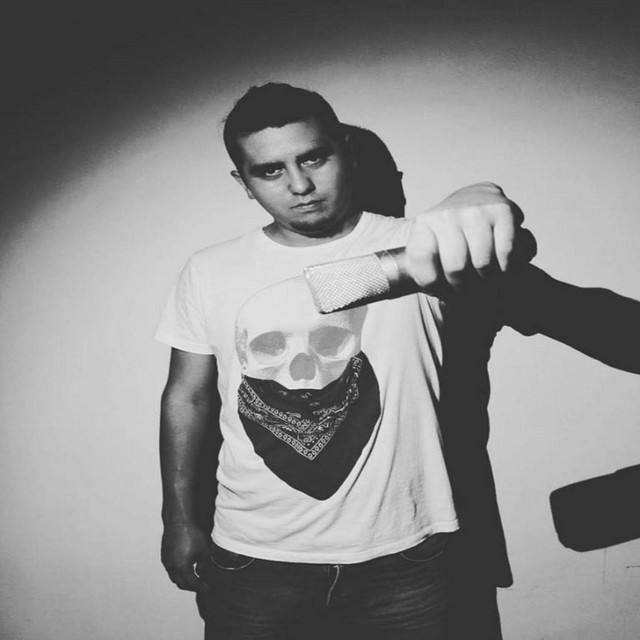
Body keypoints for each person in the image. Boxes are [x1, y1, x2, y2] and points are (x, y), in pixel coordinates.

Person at [155, 83, 640, 639]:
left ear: (345, 153)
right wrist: (178, 518)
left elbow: (591, 319)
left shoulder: (425, 249)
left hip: (409, 558)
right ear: (243, 181)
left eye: (313, 158)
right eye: (270, 171)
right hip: (253, 559)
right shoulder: (210, 270)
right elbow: (187, 396)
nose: (300, 186)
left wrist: (484, 203)